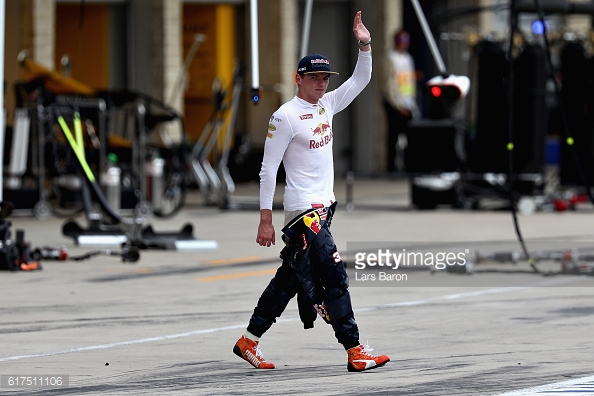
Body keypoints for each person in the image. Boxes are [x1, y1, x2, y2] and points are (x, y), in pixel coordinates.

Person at [233, 11, 390, 373]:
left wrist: (364, 44)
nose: (321, 83)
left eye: (324, 78)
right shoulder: (284, 117)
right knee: (334, 274)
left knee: (289, 279)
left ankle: (248, 340)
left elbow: (361, 79)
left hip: (325, 208)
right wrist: (265, 220)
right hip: (305, 212)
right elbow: (267, 170)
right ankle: (355, 349)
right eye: (314, 78)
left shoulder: (327, 104)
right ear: (298, 79)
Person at [380, 29, 420, 172]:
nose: (404, 45)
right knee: (394, 134)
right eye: (402, 41)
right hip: (395, 103)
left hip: (408, 101)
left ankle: (409, 165)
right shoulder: (390, 58)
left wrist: (411, 102)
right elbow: (388, 83)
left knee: (410, 134)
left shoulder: (408, 58)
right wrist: (397, 104)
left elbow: (409, 82)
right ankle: (392, 167)